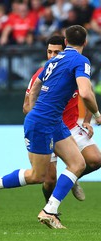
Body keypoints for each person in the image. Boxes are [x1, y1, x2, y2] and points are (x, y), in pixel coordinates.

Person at [0, 25, 101, 229]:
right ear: (85, 42)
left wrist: (35, 111)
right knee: (38, 176)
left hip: (53, 121)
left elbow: (35, 87)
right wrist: (96, 114)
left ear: (66, 42)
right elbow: (86, 93)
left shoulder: (52, 62)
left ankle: (49, 210)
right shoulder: (81, 60)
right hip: (43, 121)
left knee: (78, 164)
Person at [23, 35, 101, 203]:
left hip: (70, 127)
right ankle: (49, 209)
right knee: (49, 180)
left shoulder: (74, 67)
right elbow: (26, 106)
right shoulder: (42, 72)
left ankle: (71, 177)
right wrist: (40, 118)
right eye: (49, 52)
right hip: (48, 127)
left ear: (65, 50)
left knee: (95, 160)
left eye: (56, 52)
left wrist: (87, 120)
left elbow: (88, 94)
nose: (52, 56)